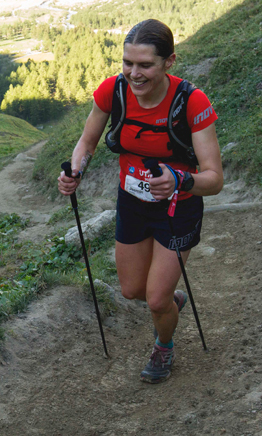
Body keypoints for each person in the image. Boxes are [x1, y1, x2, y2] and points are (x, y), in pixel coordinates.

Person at [57, 19, 223, 384]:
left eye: (145, 65)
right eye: (127, 63)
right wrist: (76, 171)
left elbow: (214, 179)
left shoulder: (192, 102)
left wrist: (180, 179)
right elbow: (87, 142)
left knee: (154, 300)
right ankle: (169, 300)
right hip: (132, 201)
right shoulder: (112, 91)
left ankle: (164, 344)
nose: (134, 73)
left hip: (178, 207)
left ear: (169, 62)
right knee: (133, 290)